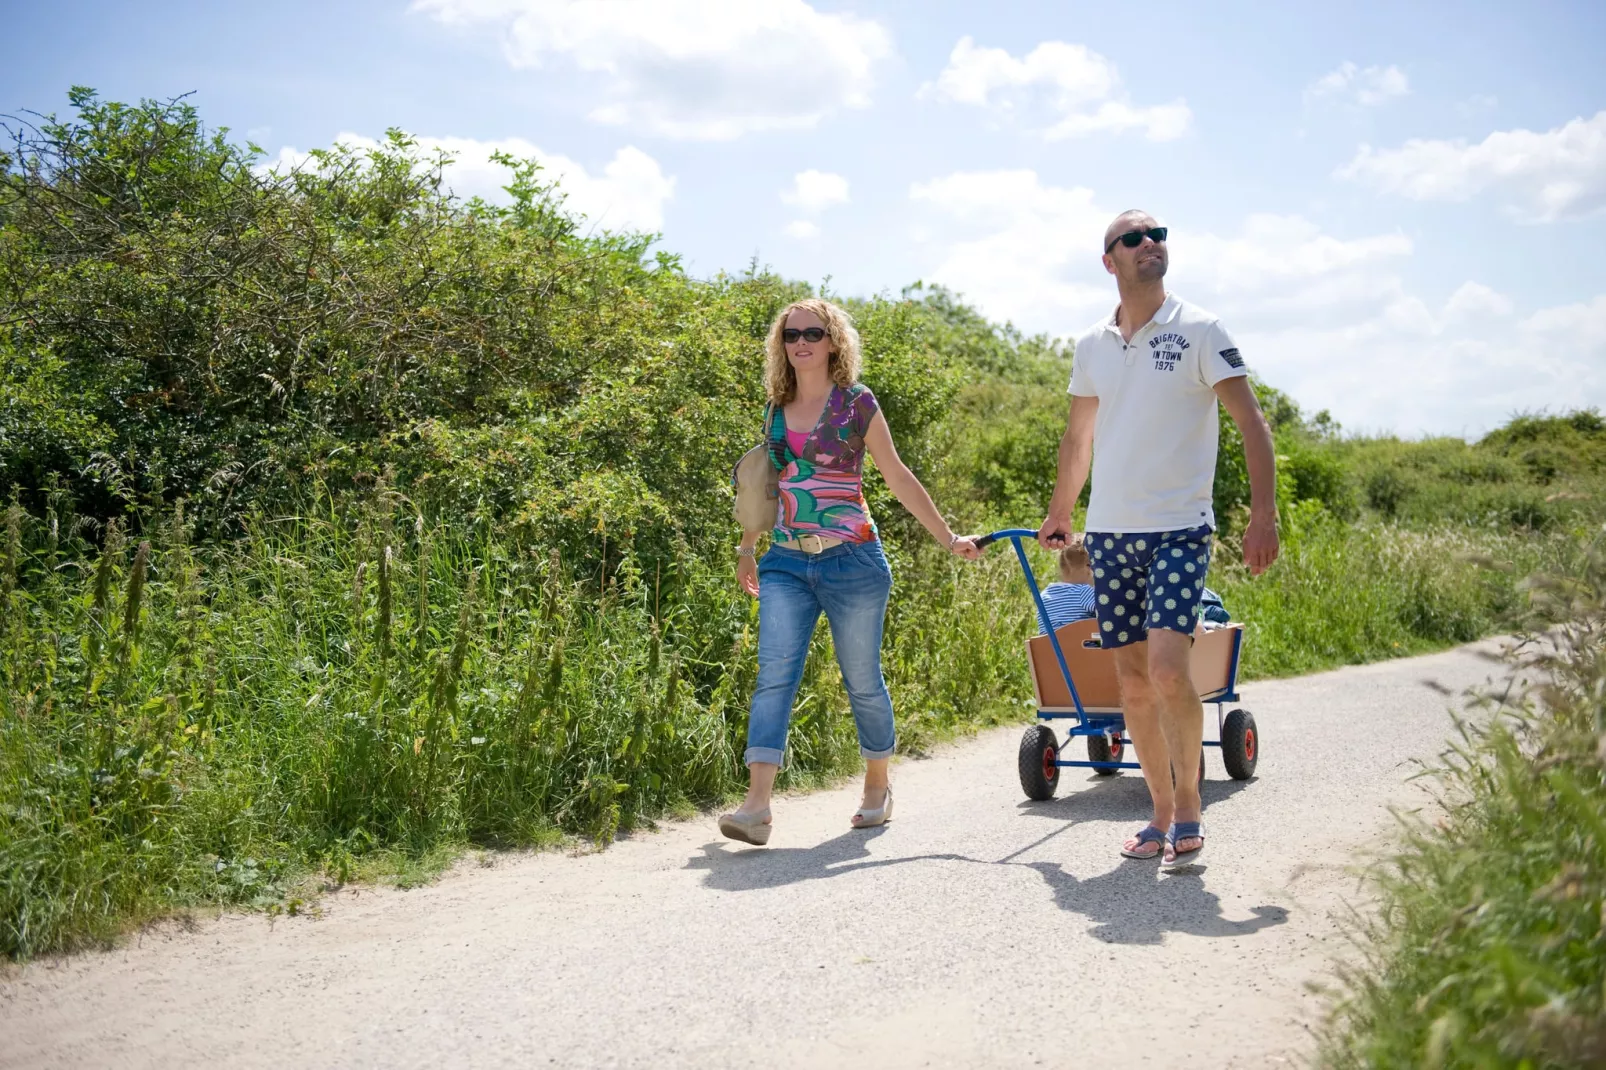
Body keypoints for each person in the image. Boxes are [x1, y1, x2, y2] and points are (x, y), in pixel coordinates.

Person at [1038, 210, 1279, 870]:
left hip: (1180, 527)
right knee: (1132, 684)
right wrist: (1061, 509)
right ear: (1110, 260)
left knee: (1170, 670)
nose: (1151, 245)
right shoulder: (1092, 344)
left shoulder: (1201, 330)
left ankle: (1192, 808)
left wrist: (1265, 515)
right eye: (1134, 239)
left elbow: (1251, 424)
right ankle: (1160, 813)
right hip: (1110, 533)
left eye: (1159, 235)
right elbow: (1079, 438)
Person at [720, 299, 982, 846]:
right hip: (787, 561)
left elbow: (898, 476)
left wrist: (948, 537)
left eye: (813, 332)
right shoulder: (776, 405)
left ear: (834, 341)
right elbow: (763, 486)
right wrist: (748, 547)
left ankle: (877, 785)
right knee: (774, 677)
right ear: (782, 345)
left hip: (852, 561)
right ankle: (757, 807)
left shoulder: (855, 403)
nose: (801, 342)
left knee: (862, 681)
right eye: (791, 335)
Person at [1038, 536, 1097, 633]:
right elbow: (1110, 610)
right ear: (1088, 567)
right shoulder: (1084, 592)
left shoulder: (1043, 596)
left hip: (1050, 648)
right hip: (1082, 647)